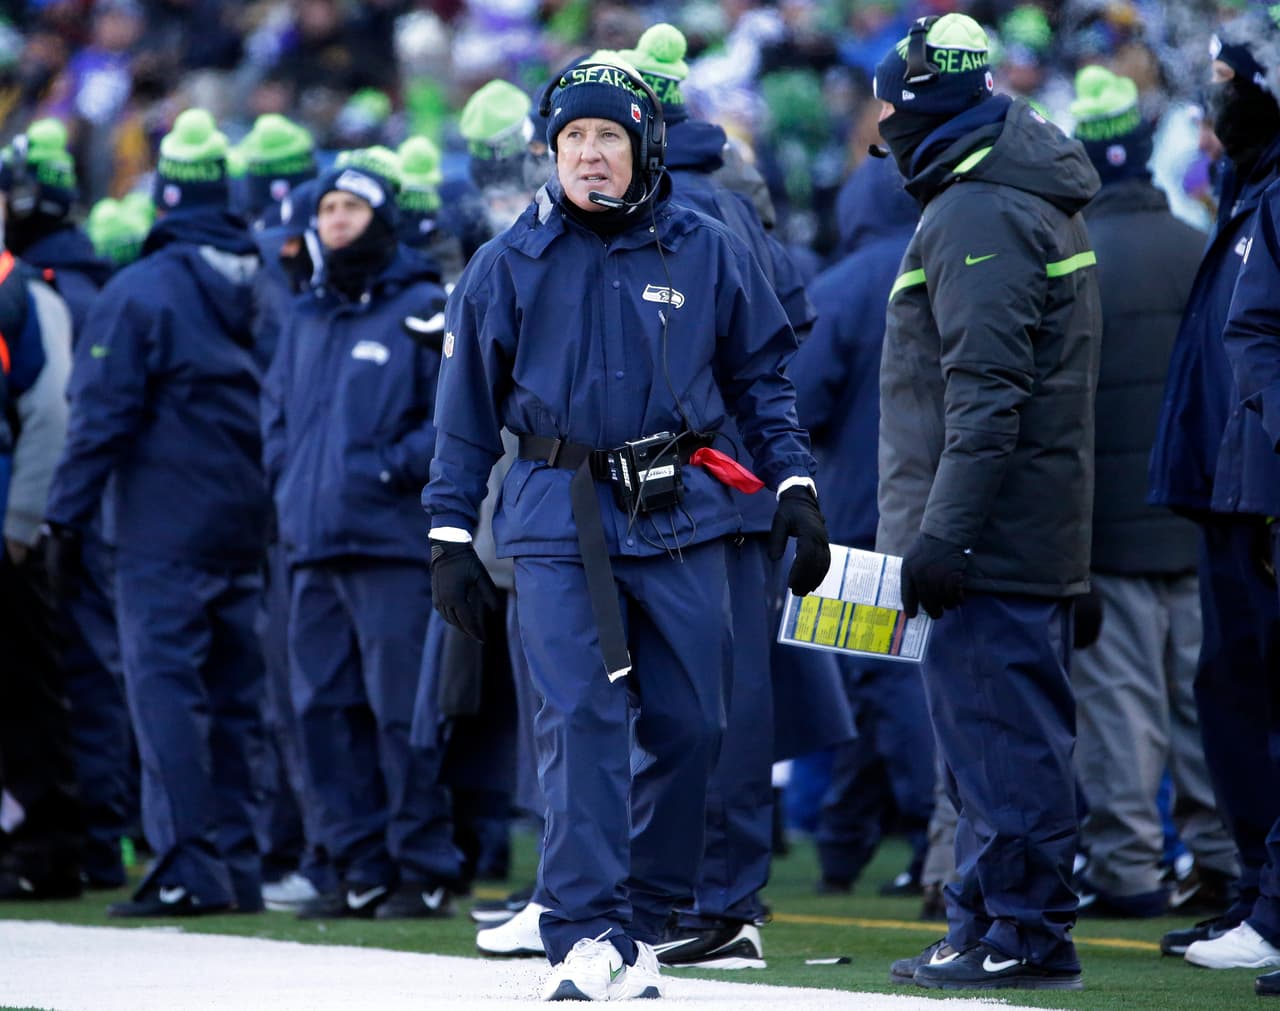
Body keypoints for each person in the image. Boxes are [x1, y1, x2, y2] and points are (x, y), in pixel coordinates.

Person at [423, 55, 828, 1001]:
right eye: (573, 140)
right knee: (584, 720)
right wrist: (449, 537)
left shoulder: (708, 243)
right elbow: (464, 415)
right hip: (556, 517)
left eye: (608, 137)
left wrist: (796, 484)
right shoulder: (504, 262)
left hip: (680, 511)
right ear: (551, 152)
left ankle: (640, 921)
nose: (590, 157)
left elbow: (762, 380)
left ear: (643, 145)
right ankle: (581, 931)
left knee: (698, 722)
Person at [873, 14, 1100, 990]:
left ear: (920, 100)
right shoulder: (1007, 196)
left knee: (1001, 748)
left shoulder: (977, 210)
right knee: (982, 749)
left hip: (988, 542)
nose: (879, 121)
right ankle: (981, 920)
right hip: (1012, 533)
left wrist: (943, 536)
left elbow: (985, 396)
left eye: (890, 100)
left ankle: (1022, 936)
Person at [43, 108, 270, 917]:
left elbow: (100, 419)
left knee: (166, 693)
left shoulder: (141, 290)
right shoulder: (267, 280)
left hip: (160, 528)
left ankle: (185, 863)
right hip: (250, 524)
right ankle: (238, 864)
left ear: (167, 194)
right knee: (239, 699)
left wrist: (60, 520)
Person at [261, 147, 462, 921]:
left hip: (386, 543)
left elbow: (449, 419)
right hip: (311, 545)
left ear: (380, 216)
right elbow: (276, 416)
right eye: (324, 211)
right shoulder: (306, 313)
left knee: (397, 712)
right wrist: (288, 481)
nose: (334, 221)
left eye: (349, 208)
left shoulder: (421, 305)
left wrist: (383, 467)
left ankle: (423, 865)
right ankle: (358, 863)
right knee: (320, 712)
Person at [1065, 66, 1236, 920]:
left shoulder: (1074, 257)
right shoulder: (1200, 243)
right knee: (1205, 699)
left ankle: (1128, 867)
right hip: (1200, 518)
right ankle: (1220, 859)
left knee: (1123, 711)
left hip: (1112, 530)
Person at [1148, 8, 1280, 963]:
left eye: (1228, 87)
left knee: (1259, 693)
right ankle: (1254, 890)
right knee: (1228, 688)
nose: (1211, 114)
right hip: (1228, 490)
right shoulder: (1249, 189)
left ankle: (1273, 906)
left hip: (1260, 489)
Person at [791, 153, 936, 905]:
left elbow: (798, 404)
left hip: (853, 516)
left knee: (874, 680)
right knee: (889, 678)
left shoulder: (841, 286)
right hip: (943, 510)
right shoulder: (946, 259)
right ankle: (845, 845)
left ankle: (929, 837)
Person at [0, 228, 79, 901]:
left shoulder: (21, 290)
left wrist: (24, 520)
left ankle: (42, 847)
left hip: (6, 526)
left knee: (24, 691)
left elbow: (50, 411)